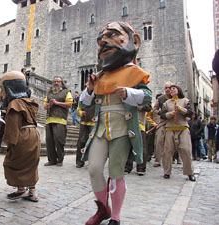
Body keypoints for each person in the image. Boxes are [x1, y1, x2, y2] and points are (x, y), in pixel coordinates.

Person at [79, 21, 152, 225]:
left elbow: (147, 97)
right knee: (93, 169)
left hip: (122, 128)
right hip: (101, 129)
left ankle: (116, 217)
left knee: (116, 172)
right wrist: (91, 89)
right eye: (101, 38)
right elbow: (84, 103)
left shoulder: (133, 72)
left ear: (133, 41)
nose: (104, 41)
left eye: (112, 35)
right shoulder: (100, 76)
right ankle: (103, 208)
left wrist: (129, 92)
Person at [1, 71, 40, 202]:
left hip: (23, 135)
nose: (2, 93)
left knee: (13, 162)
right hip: (34, 134)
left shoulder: (15, 104)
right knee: (31, 163)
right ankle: (32, 192)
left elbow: (13, 126)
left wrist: (10, 144)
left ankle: (21, 189)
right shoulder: (28, 101)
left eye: (3, 89)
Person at [161, 85, 196, 181]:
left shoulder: (185, 101)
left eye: (173, 89)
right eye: (170, 89)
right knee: (167, 151)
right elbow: (162, 115)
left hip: (183, 128)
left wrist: (181, 109)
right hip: (170, 129)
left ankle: (190, 172)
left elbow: (190, 113)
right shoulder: (166, 103)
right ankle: (166, 172)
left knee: (186, 149)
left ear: (178, 90)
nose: (171, 90)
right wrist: (170, 114)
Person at [43, 76, 73, 167]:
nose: (56, 83)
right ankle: (52, 160)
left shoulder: (66, 92)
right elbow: (44, 106)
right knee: (49, 140)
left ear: (61, 83)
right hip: (49, 119)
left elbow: (69, 104)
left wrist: (57, 103)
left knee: (59, 139)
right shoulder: (49, 93)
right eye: (55, 81)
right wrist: (48, 105)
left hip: (61, 120)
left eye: (58, 81)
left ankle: (60, 159)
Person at [125, 104, 152, 176]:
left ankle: (141, 167)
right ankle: (127, 166)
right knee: (128, 147)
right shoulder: (127, 95)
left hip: (140, 125)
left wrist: (140, 107)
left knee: (141, 147)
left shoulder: (143, 95)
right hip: (128, 124)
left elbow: (149, 108)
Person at [153, 82, 172, 167]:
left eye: (169, 88)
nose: (167, 89)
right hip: (163, 121)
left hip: (173, 122)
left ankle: (177, 159)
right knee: (159, 140)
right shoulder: (160, 98)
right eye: (166, 88)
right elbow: (154, 108)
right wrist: (160, 113)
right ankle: (157, 160)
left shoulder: (176, 98)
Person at [76, 103, 95, 168]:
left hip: (94, 123)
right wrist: (81, 112)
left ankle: (93, 162)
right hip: (84, 122)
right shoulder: (82, 98)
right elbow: (78, 110)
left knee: (93, 143)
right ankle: (79, 161)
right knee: (81, 142)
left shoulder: (98, 96)